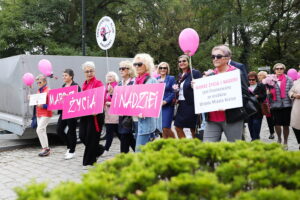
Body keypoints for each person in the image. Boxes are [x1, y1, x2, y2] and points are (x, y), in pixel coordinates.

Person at [203, 45, 249, 142]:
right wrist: (197, 87)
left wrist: (229, 105)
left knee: (234, 150)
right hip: (212, 119)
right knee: (207, 149)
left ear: (227, 58)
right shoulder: (210, 75)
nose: (215, 59)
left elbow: (245, 96)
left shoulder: (236, 73)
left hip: (232, 118)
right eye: (213, 57)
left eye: (218, 56)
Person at [133, 53, 162, 151]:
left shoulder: (152, 81)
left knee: (139, 152)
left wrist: (145, 111)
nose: (137, 66)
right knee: (146, 152)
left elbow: (155, 104)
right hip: (137, 121)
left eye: (139, 64)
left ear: (147, 65)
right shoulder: (135, 81)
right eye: (135, 64)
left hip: (147, 123)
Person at [79, 61, 105, 166]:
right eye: (87, 71)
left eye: (91, 71)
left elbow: (102, 96)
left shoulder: (98, 83)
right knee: (82, 136)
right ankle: (99, 149)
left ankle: (89, 161)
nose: (89, 73)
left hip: (95, 114)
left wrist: (97, 109)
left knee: (91, 137)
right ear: (84, 73)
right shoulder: (84, 84)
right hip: (86, 114)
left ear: (94, 71)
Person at [174, 55, 201, 138]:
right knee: (177, 126)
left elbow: (201, 87)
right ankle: (185, 146)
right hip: (181, 104)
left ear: (188, 62)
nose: (182, 63)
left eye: (184, 61)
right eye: (180, 61)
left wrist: (196, 86)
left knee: (192, 128)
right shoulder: (180, 75)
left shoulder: (194, 73)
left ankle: (195, 147)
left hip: (191, 104)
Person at [56, 69, 81, 160]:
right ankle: (69, 146)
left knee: (71, 131)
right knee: (59, 130)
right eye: (63, 76)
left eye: (66, 75)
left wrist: (68, 97)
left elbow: (78, 98)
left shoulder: (76, 86)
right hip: (63, 111)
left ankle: (72, 151)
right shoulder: (63, 86)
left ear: (71, 76)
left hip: (72, 111)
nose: (64, 77)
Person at [269, 63, 293, 149]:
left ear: (284, 70)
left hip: (287, 105)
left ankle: (285, 142)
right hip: (275, 104)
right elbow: (267, 93)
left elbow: (291, 91)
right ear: (274, 70)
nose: (279, 70)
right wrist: (268, 93)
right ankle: (279, 139)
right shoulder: (270, 80)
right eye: (277, 68)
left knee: (286, 125)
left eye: (281, 68)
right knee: (277, 124)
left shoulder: (289, 79)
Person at [118, 61, 136, 153]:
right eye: (120, 68)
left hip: (131, 114)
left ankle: (123, 159)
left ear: (129, 70)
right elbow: (117, 100)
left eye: (123, 68)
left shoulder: (134, 82)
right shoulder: (119, 83)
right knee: (128, 137)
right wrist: (112, 94)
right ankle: (141, 154)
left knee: (125, 136)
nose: (121, 70)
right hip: (122, 114)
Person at [35, 74, 52, 156]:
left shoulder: (48, 90)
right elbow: (37, 102)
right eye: (37, 83)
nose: (38, 84)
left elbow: (52, 105)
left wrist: (43, 105)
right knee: (42, 130)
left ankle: (45, 148)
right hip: (39, 113)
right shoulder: (39, 91)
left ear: (45, 82)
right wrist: (32, 99)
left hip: (46, 113)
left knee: (39, 130)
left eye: (40, 82)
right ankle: (46, 148)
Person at [157, 62, 176, 138]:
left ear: (167, 69)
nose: (162, 69)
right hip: (158, 107)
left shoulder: (171, 78)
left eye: (165, 68)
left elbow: (173, 92)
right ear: (158, 69)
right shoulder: (156, 79)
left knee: (165, 127)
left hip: (167, 106)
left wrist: (165, 101)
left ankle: (170, 143)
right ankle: (169, 142)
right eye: (161, 68)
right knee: (161, 128)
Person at [103, 71, 121, 154]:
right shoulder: (106, 87)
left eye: (111, 76)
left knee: (113, 131)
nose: (109, 78)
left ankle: (106, 149)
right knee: (113, 132)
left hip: (115, 113)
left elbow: (119, 99)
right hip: (107, 112)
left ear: (115, 78)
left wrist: (111, 98)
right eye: (108, 76)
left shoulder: (117, 86)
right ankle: (106, 148)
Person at [247, 71, 267, 141]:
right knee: (250, 125)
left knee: (256, 124)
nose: (251, 81)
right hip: (248, 109)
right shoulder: (246, 86)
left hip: (258, 109)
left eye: (253, 79)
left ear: (256, 79)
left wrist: (258, 96)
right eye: (249, 80)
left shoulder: (261, 85)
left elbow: (264, 96)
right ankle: (253, 138)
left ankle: (255, 139)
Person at [258, 71, 275, 139]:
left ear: (264, 76)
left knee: (269, 119)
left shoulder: (268, 83)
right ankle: (257, 134)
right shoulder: (258, 83)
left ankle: (272, 133)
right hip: (260, 103)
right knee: (259, 119)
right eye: (258, 75)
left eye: (260, 75)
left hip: (267, 103)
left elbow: (271, 92)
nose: (258, 76)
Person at [289, 78, 300, 150]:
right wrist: (294, 95)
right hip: (297, 108)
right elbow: (290, 92)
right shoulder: (297, 81)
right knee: (296, 126)